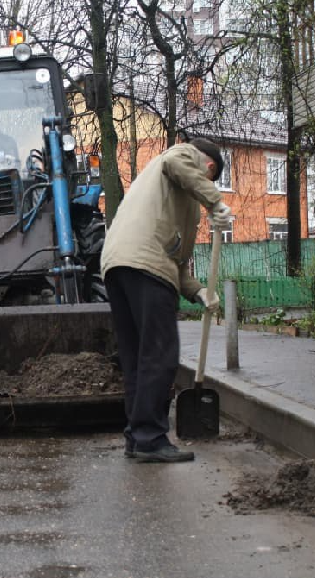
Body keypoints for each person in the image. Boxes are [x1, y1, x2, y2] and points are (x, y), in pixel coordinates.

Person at [100, 137, 233, 463]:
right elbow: (178, 164)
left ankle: (136, 436)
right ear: (209, 168)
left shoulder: (162, 191)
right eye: (207, 178)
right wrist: (215, 201)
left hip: (118, 266)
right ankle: (150, 437)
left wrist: (198, 291)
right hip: (146, 267)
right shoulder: (181, 156)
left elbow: (174, 258)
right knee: (160, 353)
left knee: (136, 358)